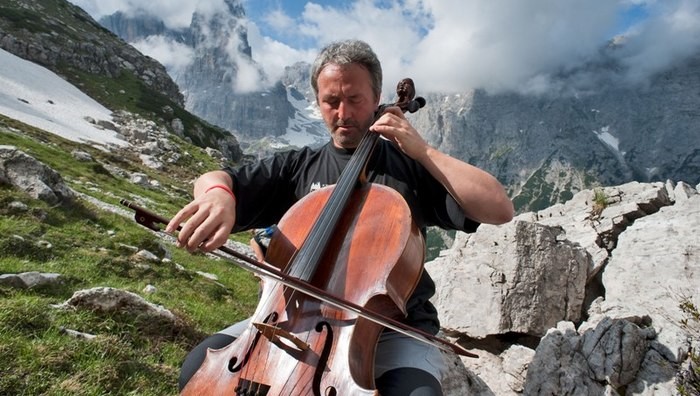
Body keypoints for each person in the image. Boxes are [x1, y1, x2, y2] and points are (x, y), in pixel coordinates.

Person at [167, 39, 514, 396]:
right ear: (318, 101)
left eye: (355, 99)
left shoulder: (410, 167)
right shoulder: (297, 166)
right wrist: (219, 197)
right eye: (331, 102)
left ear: (377, 96)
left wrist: (424, 151)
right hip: (290, 319)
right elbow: (216, 179)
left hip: (394, 329)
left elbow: (498, 208)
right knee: (198, 368)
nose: (343, 113)